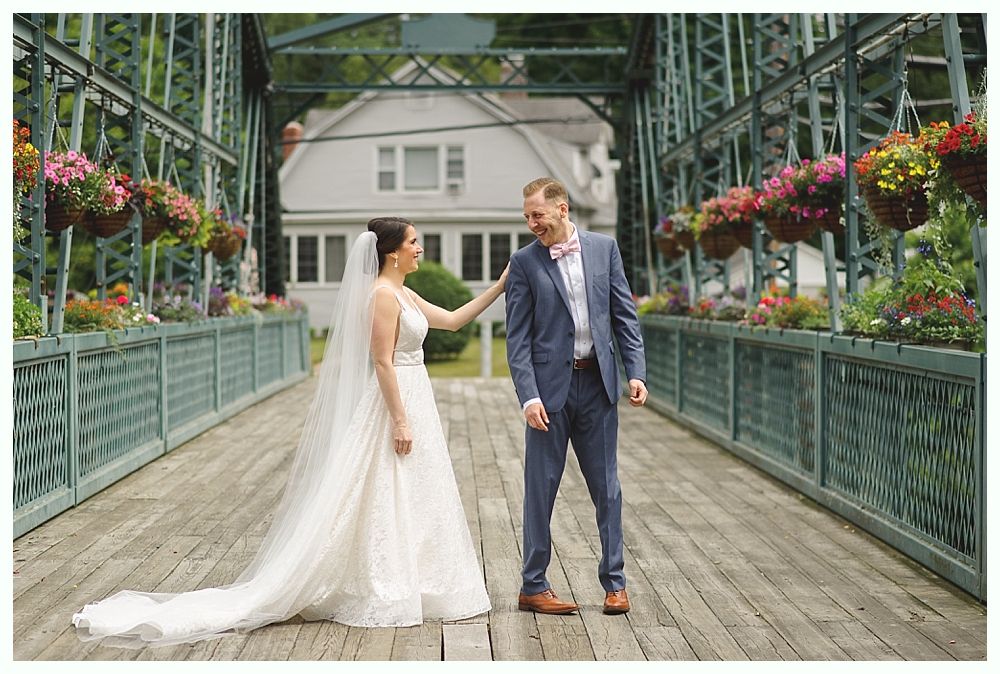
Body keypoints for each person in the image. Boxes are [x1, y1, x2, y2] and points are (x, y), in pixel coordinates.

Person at [72, 217, 507, 647]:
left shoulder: (404, 292)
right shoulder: (382, 296)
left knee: (412, 488)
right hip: (396, 401)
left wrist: (500, 285)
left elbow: (452, 320)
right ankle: (379, 582)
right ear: (392, 251)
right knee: (380, 485)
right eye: (414, 242)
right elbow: (382, 361)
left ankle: (419, 578)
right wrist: (400, 419)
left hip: (416, 394)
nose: (420, 248)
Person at [505, 177, 647, 616]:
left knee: (608, 488)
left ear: (562, 209)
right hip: (549, 395)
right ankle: (533, 584)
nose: (532, 224)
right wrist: (529, 398)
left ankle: (615, 584)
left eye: (538, 215)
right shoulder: (524, 262)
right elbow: (518, 339)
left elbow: (624, 315)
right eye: (527, 216)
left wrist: (635, 371)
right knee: (540, 489)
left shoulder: (604, 249)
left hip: (599, 386)